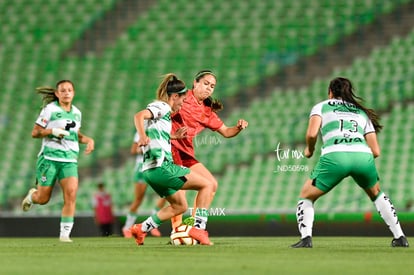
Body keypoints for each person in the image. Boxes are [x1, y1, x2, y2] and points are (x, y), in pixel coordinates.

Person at [291, 77, 409, 248]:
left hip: (335, 156)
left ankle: (306, 239)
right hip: (362, 156)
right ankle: (400, 237)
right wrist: (356, 162)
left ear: (330, 92)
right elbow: (376, 151)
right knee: (376, 194)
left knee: (306, 196)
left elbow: (311, 135)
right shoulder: (361, 112)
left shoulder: (321, 106)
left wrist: (310, 150)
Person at [129, 73, 215, 245]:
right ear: (175, 96)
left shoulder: (164, 114)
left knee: (180, 206)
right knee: (207, 184)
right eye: (182, 101)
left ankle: (141, 228)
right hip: (162, 167)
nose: (182, 105)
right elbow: (138, 116)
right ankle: (198, 229)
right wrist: (142, 136)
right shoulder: (162, 107)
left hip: (150, 171)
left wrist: (174, 136)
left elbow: (158, 133)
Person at [170, 70, 248, 229]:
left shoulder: (207, 111)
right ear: (195, 83)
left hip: (186, 153)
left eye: (212, 86)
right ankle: (177, 231)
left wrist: (238, 128)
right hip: (170, 149)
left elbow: (226, 131)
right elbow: (163, 109)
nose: (208, 89)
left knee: (211, 184)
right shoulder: (182, 96)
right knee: (180, 195)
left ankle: (195, 226)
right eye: (206, 84)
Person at [21, 80, 95, 242]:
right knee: (43, 198)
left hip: (69, 160)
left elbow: (74, 134)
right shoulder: (50, 110)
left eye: (69, 90)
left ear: (74, 93)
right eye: (63, 90)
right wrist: (52, 131)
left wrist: (88, 139)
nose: (66, 93)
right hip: (49, 159)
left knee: (71, 195)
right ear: (57, 94)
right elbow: (35, 132)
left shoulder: (77, 112)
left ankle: (64, 235)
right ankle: (32, 196)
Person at [122, 131, 167, 238]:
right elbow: (134, 150)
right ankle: (127, 227)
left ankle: (153, 222)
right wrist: (147, 149)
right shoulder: (141, 131)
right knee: (138, 199)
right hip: (142, 167)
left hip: (157, 165)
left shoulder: (160, 128)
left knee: (166, 193)